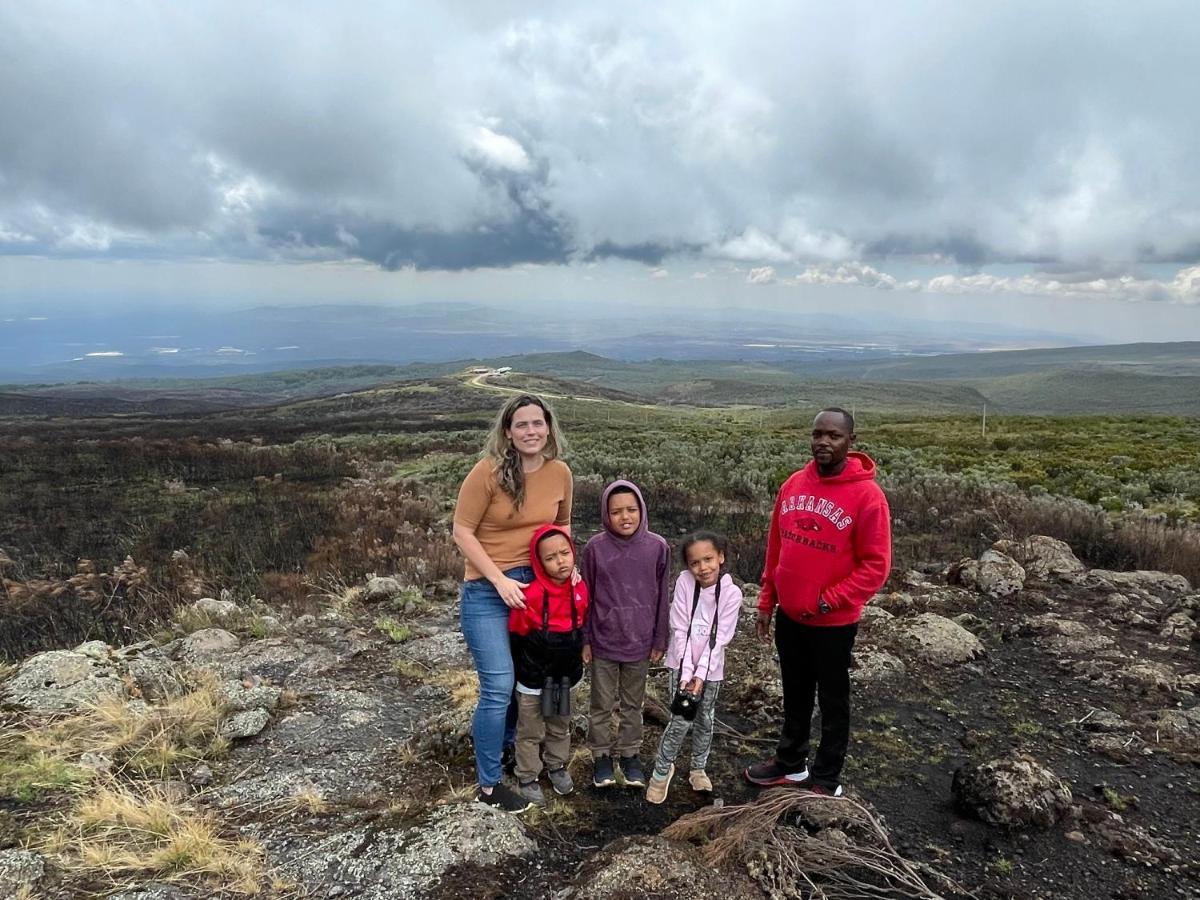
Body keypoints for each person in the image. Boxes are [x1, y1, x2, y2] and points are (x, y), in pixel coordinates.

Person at [745, 407, 891, 796]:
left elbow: (876, 565)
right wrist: (766, 600)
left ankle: (826, 777)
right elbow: (777, 548)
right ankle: (790, 763)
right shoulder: (793, 484)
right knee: (794, 692)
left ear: (851, 442)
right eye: (818, 434)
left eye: (834, 435)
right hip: (791, 617)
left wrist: (829, 601)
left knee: (832, 700)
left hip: (833, 624)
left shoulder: (868, 496)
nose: (824, 442)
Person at [453, 394, 573, 812]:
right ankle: (488, 786)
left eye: (537, 423)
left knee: (527, 680)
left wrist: (565, 567)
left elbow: (562, 524)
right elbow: (462, 531)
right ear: (508, 431)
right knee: (498, 687)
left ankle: (507, 747)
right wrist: (499, 578)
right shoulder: (486, 473)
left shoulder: (560, 473)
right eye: (521, 425)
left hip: (536, 591)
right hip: (488, 592)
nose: (531, 432)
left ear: (548, 428)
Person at [581, 480, 670, 789]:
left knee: (633, 704)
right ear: (606, 513)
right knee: (601, 704)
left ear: (642, 509)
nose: (625, 517)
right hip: (604, 642)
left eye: (631, 509)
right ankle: (602, 756)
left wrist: (660, 638)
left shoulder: (658, 547)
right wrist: (586, 639)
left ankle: (630, 755)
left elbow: (662, 597)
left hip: (641, 642)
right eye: (616, 511)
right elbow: (586, 597)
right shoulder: (595, 548)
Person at [645, 531, 742, 804]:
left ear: (721, 557)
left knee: (704, 718)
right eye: (695, 562)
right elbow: (681, 631)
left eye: (708, 559)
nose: (703, 568)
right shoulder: (686, 584)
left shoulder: (731, 594)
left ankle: (698, 767)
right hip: (681, 665)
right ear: (688, 566)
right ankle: (662, 770)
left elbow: (720, 638)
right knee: (680, 718)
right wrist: (688, 675)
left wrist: (701, 675)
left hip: (711, 670)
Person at [509, 524, 589, 805]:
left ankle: (556, 765)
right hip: (533, 679)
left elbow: (583, 624)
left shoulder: (580, 588)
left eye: (564, 553)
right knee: (530, 730)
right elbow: (517, 635)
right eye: (551, 557)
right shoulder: (529, 595)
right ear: (538, 562)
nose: (560, 562)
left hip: (567, 675)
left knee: (559, 724)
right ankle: (528, 775)